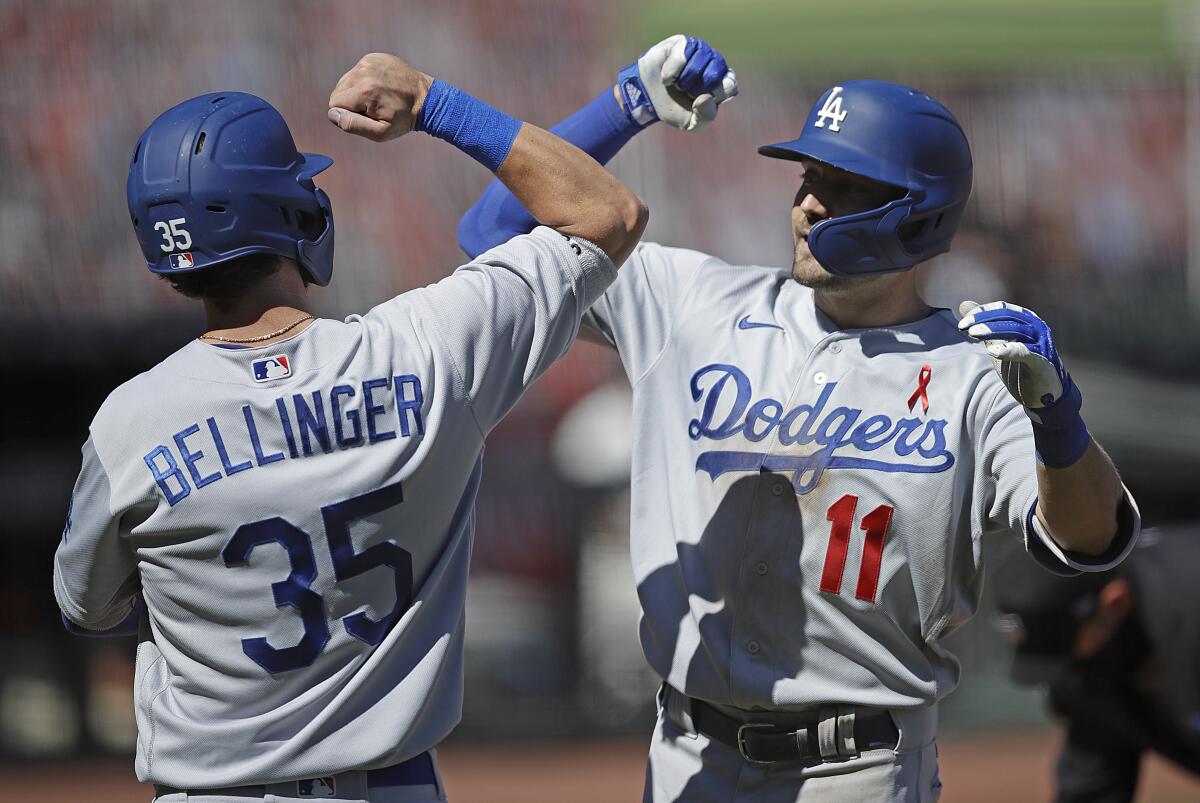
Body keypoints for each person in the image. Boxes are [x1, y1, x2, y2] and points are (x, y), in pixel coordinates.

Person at [457, 34, 1141, 802]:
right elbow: (496, 238)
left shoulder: (978, 371)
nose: (809, 200)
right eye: (809, 175)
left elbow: (1089, 538)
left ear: (916, 216)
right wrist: (627, 108)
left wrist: (1058, 421)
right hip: (689, 752)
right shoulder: (689, 301)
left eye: (844, 185)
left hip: (858, 767)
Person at [51, 51, 646, 803]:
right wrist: (433, 102)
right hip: (389, 785)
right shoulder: (430, 348)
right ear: (299, 215)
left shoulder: (128, 423)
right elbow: (607, 211)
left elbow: (87, 606)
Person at [994, 528, 1200, 803]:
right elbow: (1091, 790)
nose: (1065, 676)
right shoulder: (1090, 671)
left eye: (1062, 649)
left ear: (1115, 602)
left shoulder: (1188, 604)